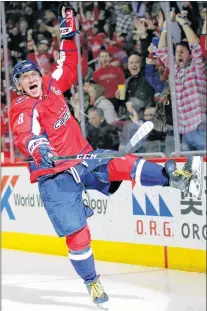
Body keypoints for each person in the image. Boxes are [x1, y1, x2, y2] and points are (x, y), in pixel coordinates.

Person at [9, 5, 204, 311]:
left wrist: (68, 32)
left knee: (119, 163)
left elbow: (69, 62)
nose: (32, 78)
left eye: (34, 73)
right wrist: (37, 147)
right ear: (19, 85)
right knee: (77, 235)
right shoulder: (21, 107)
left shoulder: (52, 85)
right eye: (25, 77)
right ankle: (91, 281)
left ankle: (175, 179)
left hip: (83, 157)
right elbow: (24, 135)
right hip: (54, 175)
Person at [156, 12, 206, 151]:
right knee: (187, 170)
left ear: (190, 55)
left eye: (182, 51)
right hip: (184, 130)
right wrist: (165, 27)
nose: (178, 54)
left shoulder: (198, 67)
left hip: (200, 125)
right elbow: (160, 51)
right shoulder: (175, 69)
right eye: (176, 51)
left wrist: (181, 21)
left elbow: (195, 44)